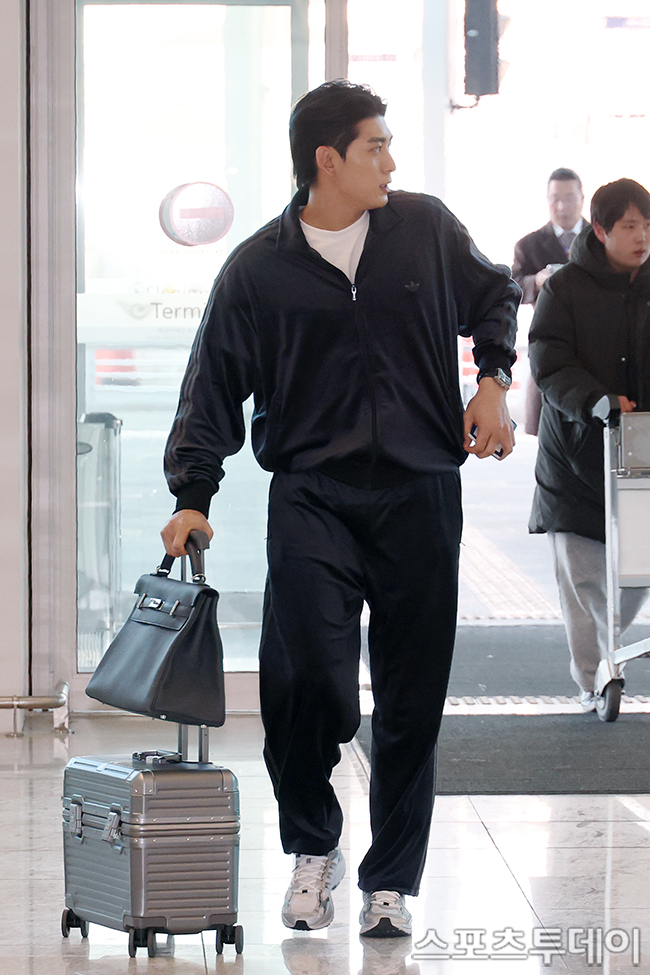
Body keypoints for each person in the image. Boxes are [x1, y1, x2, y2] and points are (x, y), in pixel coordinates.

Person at [161, 80, 519, 937]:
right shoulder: (259, 267)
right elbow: (211, 385)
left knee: (411, 695)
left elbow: (496, 294)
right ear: (328, 159)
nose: (390, 161)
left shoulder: (425, 229)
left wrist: (494, 381)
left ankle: (389, 882)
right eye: (375, 147)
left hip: (420, 490)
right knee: (304, 682)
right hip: (312, 495)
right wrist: (192, 496)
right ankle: (312, 847)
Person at [528, 177, 650, 712]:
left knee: (637, 569)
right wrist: (596, 400)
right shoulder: (566, 288)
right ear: (600, 230)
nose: (642, 237)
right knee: (582, 576)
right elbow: (549, 360)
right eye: (630, 226)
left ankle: (610, 654)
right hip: (576, 453)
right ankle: (594, 677)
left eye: (648, 226)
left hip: (641, 449)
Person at [512, 168, 589, 434]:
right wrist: (536, 281)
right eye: (555, 199)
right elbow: (512, 287)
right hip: (550, 336)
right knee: (547, 423)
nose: (562, 206)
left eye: (569, 198)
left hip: (595, 338)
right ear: (547, 200)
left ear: (582, 199)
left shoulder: (601, 240)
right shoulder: (529, 245)